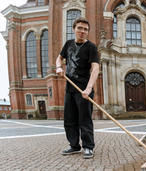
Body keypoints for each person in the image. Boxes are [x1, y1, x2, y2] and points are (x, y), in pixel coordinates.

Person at [56, 17, 100, 159]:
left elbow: (95, 68)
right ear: (74, 29)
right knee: (69, 119)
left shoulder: (91, 47)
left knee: (84, 119)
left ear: (88, 32)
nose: (82, 31)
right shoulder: (68, 44)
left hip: (83, 89)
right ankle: (74, 146)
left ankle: (88, 147)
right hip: (70, 88)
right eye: (80, 28)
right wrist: (58, 67)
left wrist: (88, 88)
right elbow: (59, 58)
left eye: (85, 29)